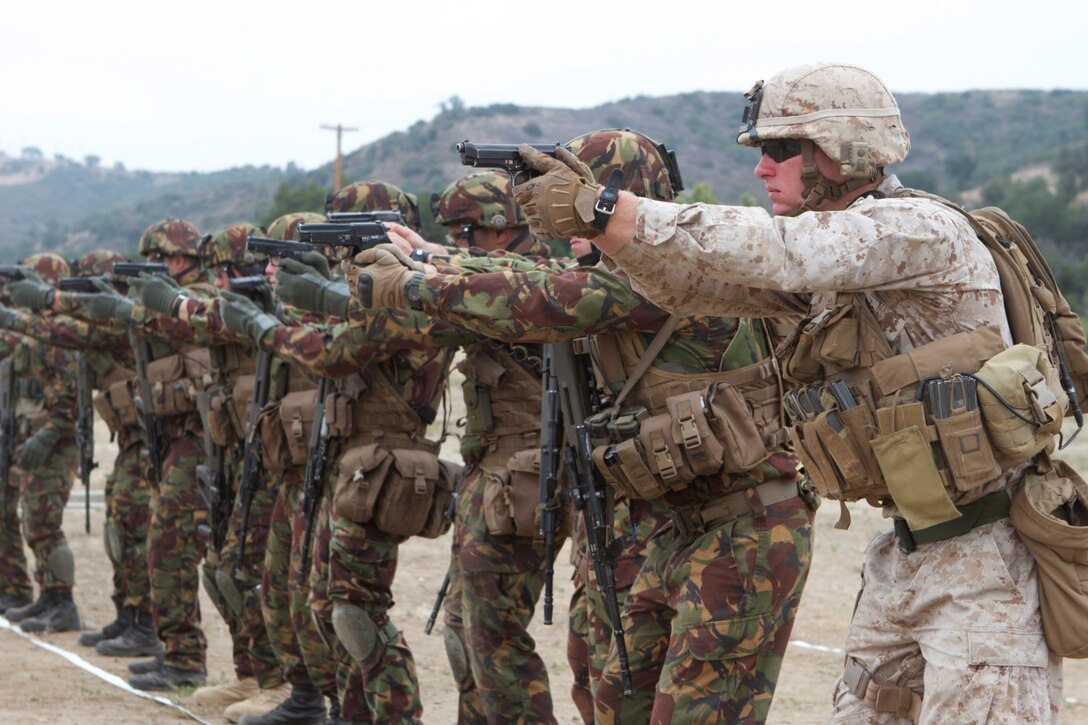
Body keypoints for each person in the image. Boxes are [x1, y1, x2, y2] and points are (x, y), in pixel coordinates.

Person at [513, 62, 1062, 722]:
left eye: (778, 150)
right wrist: (608, 232)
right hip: (907, 554)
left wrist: (606, 206)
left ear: (836, 150)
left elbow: (780, 250)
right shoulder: (838, 257)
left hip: (985, 566)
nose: (762, 169)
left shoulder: (917, 231)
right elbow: (692, 287)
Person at [352, 128, 815, 723]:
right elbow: (531, 273)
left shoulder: (673, 270)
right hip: (660, 524)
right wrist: (429, 257)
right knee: (610, 697)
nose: (556, 224)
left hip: (739, 531)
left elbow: (547, 296)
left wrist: (417, 281)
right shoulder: (608, 269)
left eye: (567, 202)